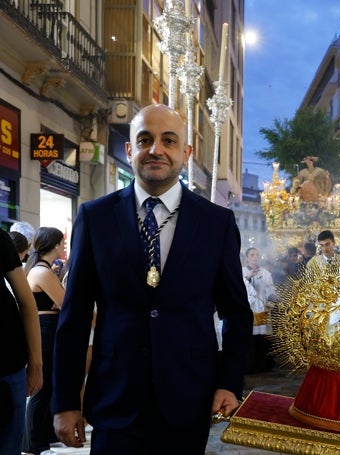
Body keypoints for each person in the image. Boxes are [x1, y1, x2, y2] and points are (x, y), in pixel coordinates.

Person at [51, 103, 253, 454]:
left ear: (185, 152)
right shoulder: (95, 217)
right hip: (115, 399)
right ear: (130, 150)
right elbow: (75, 317)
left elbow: (236, 312)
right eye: (145, 140)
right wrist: (65, 401)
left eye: (168, 140)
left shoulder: (216, 223)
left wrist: (229, 383)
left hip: (189, 397)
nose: (156, 150)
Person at [22, 227, 66, 455]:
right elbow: (65, 301)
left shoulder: (45, 269)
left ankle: (44, 436)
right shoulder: (42, 271)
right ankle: (34, 445)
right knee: (41, 386)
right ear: (55, 244)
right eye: (62, 242)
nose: (64, 246)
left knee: (48, 385)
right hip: (45, 330)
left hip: (48, 329)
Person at [0, 229, 42, 455]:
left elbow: (26, 302)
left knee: (8, 445)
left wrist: (36, 362)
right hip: (9, 367)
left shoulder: (0, 239)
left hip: (7, 365)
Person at [242, 247, 278, 373]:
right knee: (249, 336)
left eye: (257, 255)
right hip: (248, 308)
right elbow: (240, 289)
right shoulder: (242, 272)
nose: (255, 257)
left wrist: (270, 302)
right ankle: (249, 365)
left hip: (262, 307)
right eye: (252, 255)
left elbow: (271, 290)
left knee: (262, 337)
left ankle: (263, 364)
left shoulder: (266, 273)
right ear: (247, 258)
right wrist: (248, 277)